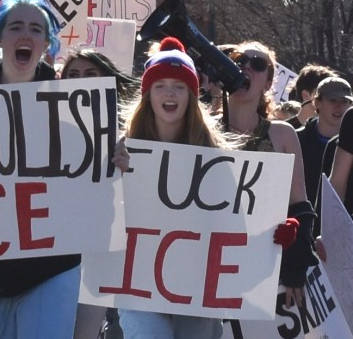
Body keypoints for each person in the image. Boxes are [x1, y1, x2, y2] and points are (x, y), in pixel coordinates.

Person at [0, 0, 127, 339]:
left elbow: (96, 194)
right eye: (15, 27)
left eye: (36, 29)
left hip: (50, 270)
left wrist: (114, 162)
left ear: (47, 44)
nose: (25, 35)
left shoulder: (78, 113)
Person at [116, 37, 238, 339]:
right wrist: (113, 177)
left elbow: (235, 219)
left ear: (191, 96)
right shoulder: (121, 149)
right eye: (160, 85)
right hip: (138, 282)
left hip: (198, 286)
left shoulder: (216, 156)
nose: (169, 93)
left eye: (179, 86)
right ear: (148, 96)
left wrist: (272, 231)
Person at [223, 41, 318, 307]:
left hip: (265, 263)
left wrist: (295, 264)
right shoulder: (202, 130)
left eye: (257, 64)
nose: (246, 67)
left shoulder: (282, 134)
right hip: (213, 261)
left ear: (267, 83)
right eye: (239, 61)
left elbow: (300, 206)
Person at [60, 50, 136, 339]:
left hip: (98, 254)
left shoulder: (126, 134)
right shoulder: (42, 128)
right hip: (53, 253)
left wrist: (128, 170)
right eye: (73, 75)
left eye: (90, 74)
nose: (81, 81)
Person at [296, 77, 352, 207]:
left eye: (344, 101)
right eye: (333, 100)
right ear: (317, 103)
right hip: (299, 216)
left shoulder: (350, 148)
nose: (339, 107)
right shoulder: (295, 139)